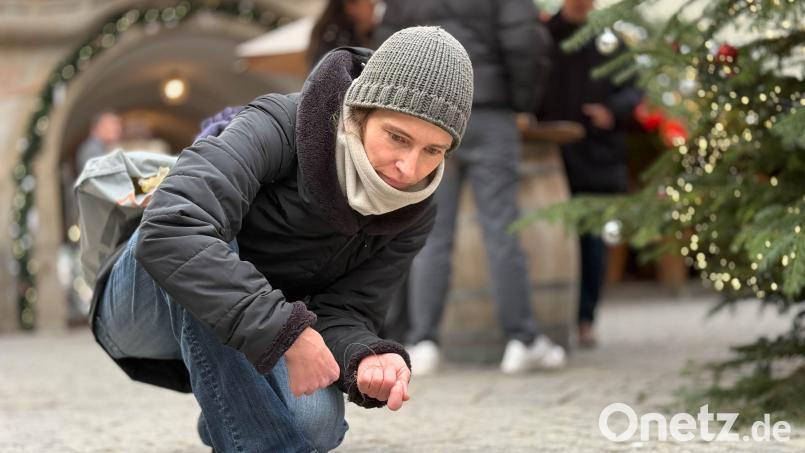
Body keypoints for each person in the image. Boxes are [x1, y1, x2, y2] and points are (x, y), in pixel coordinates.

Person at [90, 27, 473, 452]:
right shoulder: (275, 124)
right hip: (140, 308)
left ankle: (230, 418)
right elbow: (172, 228)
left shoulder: (415, 209)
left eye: (433, 150)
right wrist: (286, 331)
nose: (408, 167)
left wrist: (367, 354)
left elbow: (346, 308)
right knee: (207, 246)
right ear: (361, 111)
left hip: (251, 331)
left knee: (316, 427)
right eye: (397, 137)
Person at [374, 0, 566, 375]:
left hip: (428, 115)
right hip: (489, 109)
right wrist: (522, 102)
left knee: (431, 233)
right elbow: (524, 42)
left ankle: (423, 341)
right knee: (501, 230)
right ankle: (522, 340)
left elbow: (389, 44)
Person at [537, 0, 641, 347]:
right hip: (550, 157)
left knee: (593, 245)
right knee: (547, 238)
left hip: (598, 157)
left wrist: (611, 111)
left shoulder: (610, 39)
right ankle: (549, 320)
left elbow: (634, 88)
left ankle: (585, 319)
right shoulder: (543, 36)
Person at [307, 0, 382, 68]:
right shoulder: (337, 36)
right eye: (370, 5)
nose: (374, 9)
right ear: (351, 6)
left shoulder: (359, 31)